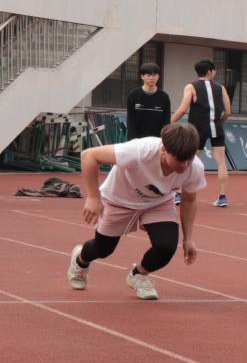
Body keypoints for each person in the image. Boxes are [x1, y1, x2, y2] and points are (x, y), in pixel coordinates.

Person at [66, 123, 204, 300]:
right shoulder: (139, 151)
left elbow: (189, 200)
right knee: (103, 249)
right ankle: (80, 261)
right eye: (179, 160)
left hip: (158, 203)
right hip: (119, 199)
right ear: (163, 150)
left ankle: (139, 275)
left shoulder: (195, 168)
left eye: (189, 159)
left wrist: (188, 239)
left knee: (166, 246)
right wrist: (93, 197)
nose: (184, 165)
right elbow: (89, 155)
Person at [171, 58, 232, 208]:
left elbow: (183, 109)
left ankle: (178, 193)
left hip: (197, 129)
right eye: (214, 71)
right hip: (217, 128)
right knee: (221, 162)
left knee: (188, 160)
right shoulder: (221, 88)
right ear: (210, 72)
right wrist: (220, 121)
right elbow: (228, 111)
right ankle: (222, 196)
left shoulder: (191, 87)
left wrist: (170, 121)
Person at [125, 62, 171, 140]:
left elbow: (166, 122)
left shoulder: (164, 97)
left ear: (158, 77)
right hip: (138, 141)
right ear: (142, 76)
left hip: (157, 141)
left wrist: (163, 140)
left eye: (154, 75)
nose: (152, 78)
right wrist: (133, 141)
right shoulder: (133, 95)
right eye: (149, 75)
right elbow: (130, 120)